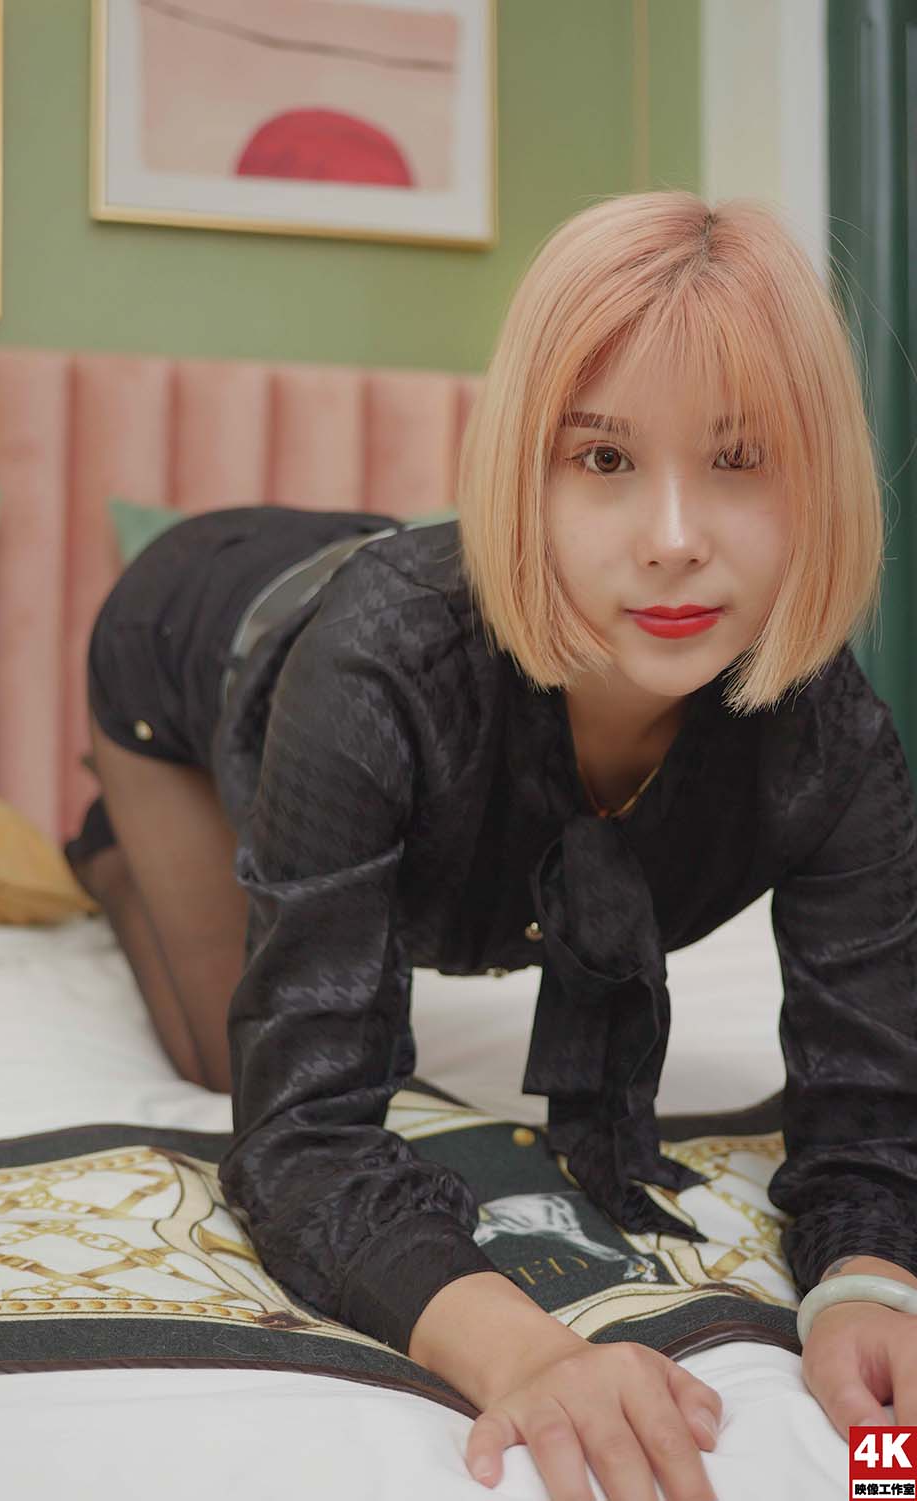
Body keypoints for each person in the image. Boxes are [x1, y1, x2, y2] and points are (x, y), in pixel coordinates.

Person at [66, 190, 917, 1501]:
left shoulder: (833, 740)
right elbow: (301, 1133)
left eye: (740, 460)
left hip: (389, 622)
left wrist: (869, 1282)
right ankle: (113, 840)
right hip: (190, 638)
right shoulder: (379, 667)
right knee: (217, 1053)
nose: (675, 540)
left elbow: (871, 1106)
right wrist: (528, 1349)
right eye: (605, 460)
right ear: (528, 470)